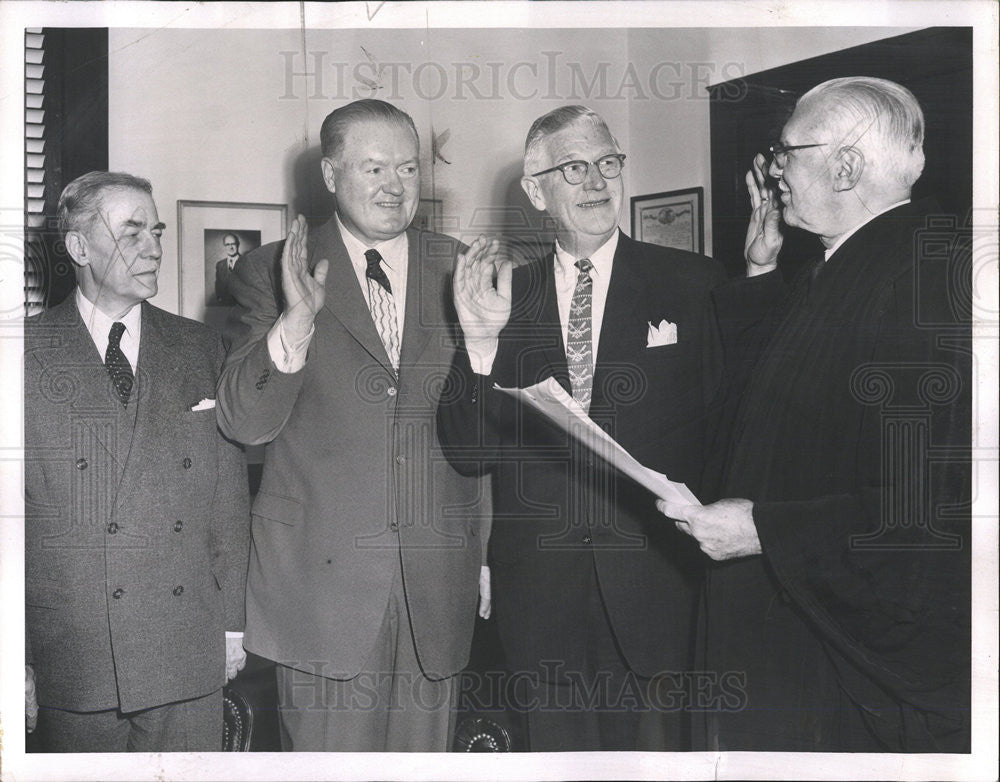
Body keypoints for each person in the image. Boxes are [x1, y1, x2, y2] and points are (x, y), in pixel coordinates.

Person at [658, 77, 971, 752]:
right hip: (789, 637)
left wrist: (764, 530)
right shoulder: (856, 261)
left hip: (839, 675)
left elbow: (931, 515)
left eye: (787, 152)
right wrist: (760, 270)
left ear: (847, 167)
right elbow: (778, 411)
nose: (774, 170)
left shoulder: (928, 280)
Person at [437, 105, 725, 751]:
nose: (597, 180)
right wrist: (479, 344)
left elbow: (729, 432)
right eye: (574, 167)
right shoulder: (501, 293)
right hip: (543, 598)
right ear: (537, 190)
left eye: (608, 162)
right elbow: (467, 450)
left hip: (661, 589)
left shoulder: (694, 283)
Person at [216, 98, 488, 752]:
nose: (395, 186)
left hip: (436, 586)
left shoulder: (464, 268)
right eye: (373, 169)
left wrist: (486, 556)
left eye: (408, 168)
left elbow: (486, 433)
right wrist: (296, 324)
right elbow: (244, 420)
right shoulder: (271, 270)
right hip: (319, 593)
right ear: (332, 175)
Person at [23, 171, 251, 752]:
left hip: (185, 651)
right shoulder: (20, 356)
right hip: (72, 661)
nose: (152, 247)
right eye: (131, 233)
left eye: (155, 230)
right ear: (78, 248)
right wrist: (12, 658)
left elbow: (228, 500)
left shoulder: (201, 347)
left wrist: (232, 623)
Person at [214, 233, 241, 305]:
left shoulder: (247, 262)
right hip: (224, 307)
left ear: (238, 245)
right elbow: (218, 286)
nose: (230, 247)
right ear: (225, 246)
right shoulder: (220, 265)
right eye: (227, 244)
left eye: (233, 244)